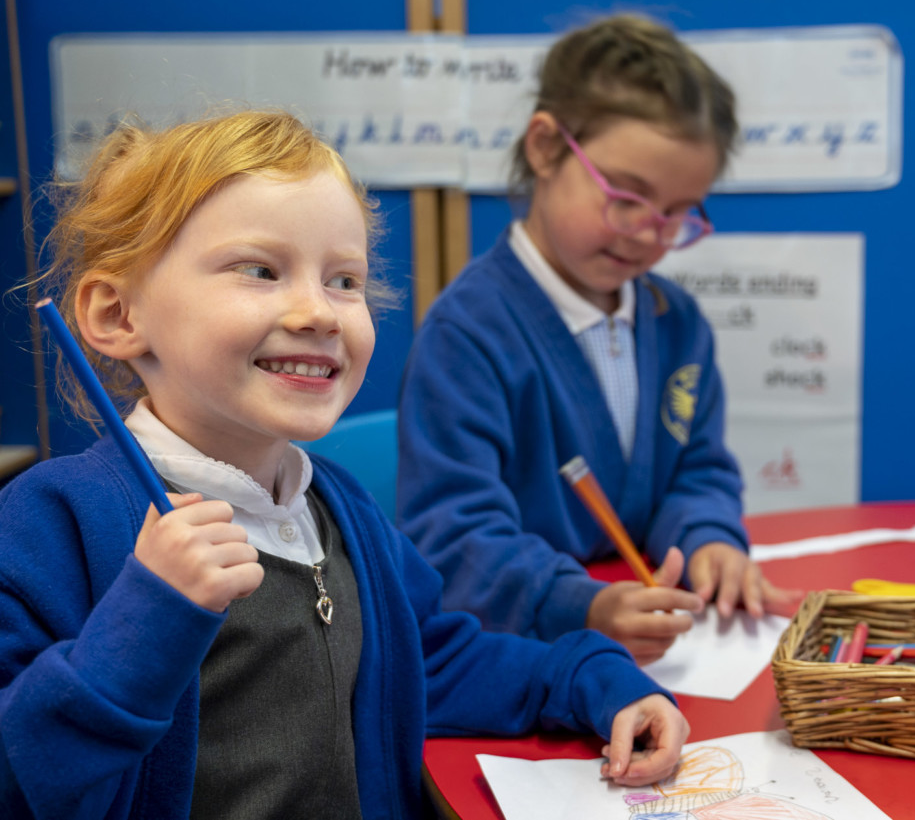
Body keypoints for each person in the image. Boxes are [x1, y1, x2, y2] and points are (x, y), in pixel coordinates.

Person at [0, 110, 687, 820]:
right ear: (117, 315)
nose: (318, 313)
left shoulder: (340, 508)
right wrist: (143, 622)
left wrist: (590, 677)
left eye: (344, 280)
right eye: (260, 270)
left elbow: (431, 660)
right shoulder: (52, 521)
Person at [397, 14, 799, 665]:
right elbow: (453, 535)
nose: (647, 233)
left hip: (650, 649)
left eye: (676, 213)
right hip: (518, 656)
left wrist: (708, 539)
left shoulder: (678, 323)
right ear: (547, 147)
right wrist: (578, 603)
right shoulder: (468, 334)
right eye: (627, 196)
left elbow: (695, 470)